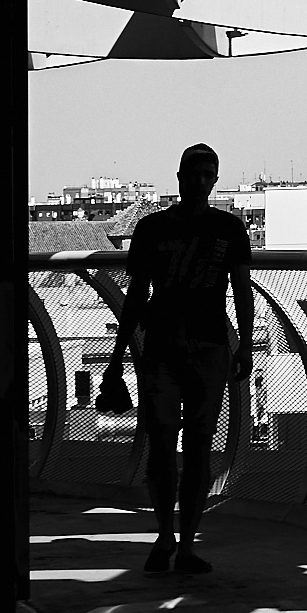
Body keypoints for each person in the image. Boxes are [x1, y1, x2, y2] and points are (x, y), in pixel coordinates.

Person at [104, 144, 254, 574]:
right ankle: (177, 540)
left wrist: (244, 342)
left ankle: (176, 539)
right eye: (195, 173)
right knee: (172, 443)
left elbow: (240, 289)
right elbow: (136, 295)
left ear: (213, 179)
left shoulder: (185, 229)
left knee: (188, 445)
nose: (200, 181)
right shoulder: (217, 229)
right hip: (180, 347)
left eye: (207, 174)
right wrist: (116, 358)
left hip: (193, 346)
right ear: (181, 176)